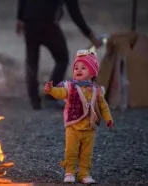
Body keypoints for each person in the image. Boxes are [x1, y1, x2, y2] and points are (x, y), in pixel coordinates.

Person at [16, 0, 103, 110]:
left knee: (32, 62)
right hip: (47, 22)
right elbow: (74, 12)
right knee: (62, 58)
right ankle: (51, 96)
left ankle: (34, 101)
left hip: (30, 20)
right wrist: (91, 36)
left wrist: (19, 18)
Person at [44, 50, 114, 184]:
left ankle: (84, 174)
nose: (78, 70)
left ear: (92, 72)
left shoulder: (96, 90)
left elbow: (103, 106)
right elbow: (61, 93)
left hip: (89, 128)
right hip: (73, 127)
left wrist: (108, 119)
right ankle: (70, 172)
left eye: (83, 68)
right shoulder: (70, 87)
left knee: (86, 154)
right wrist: (51, 90)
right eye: (76, 68)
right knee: (71, 151)